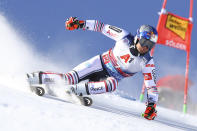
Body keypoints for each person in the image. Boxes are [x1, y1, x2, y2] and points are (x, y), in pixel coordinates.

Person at [27, 17, 158, 120]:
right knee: (69, 78)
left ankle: (74, 90)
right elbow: (101, 27)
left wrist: (151, 106)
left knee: (112, 84)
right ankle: (36, 78)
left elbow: (151, 86)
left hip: (109, 77)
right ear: (138, 37)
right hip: (99, 63)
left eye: (150, 45)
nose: (146, 47)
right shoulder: (124, 37)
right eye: (144, 42)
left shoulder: (147, 62)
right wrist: (80, 24)